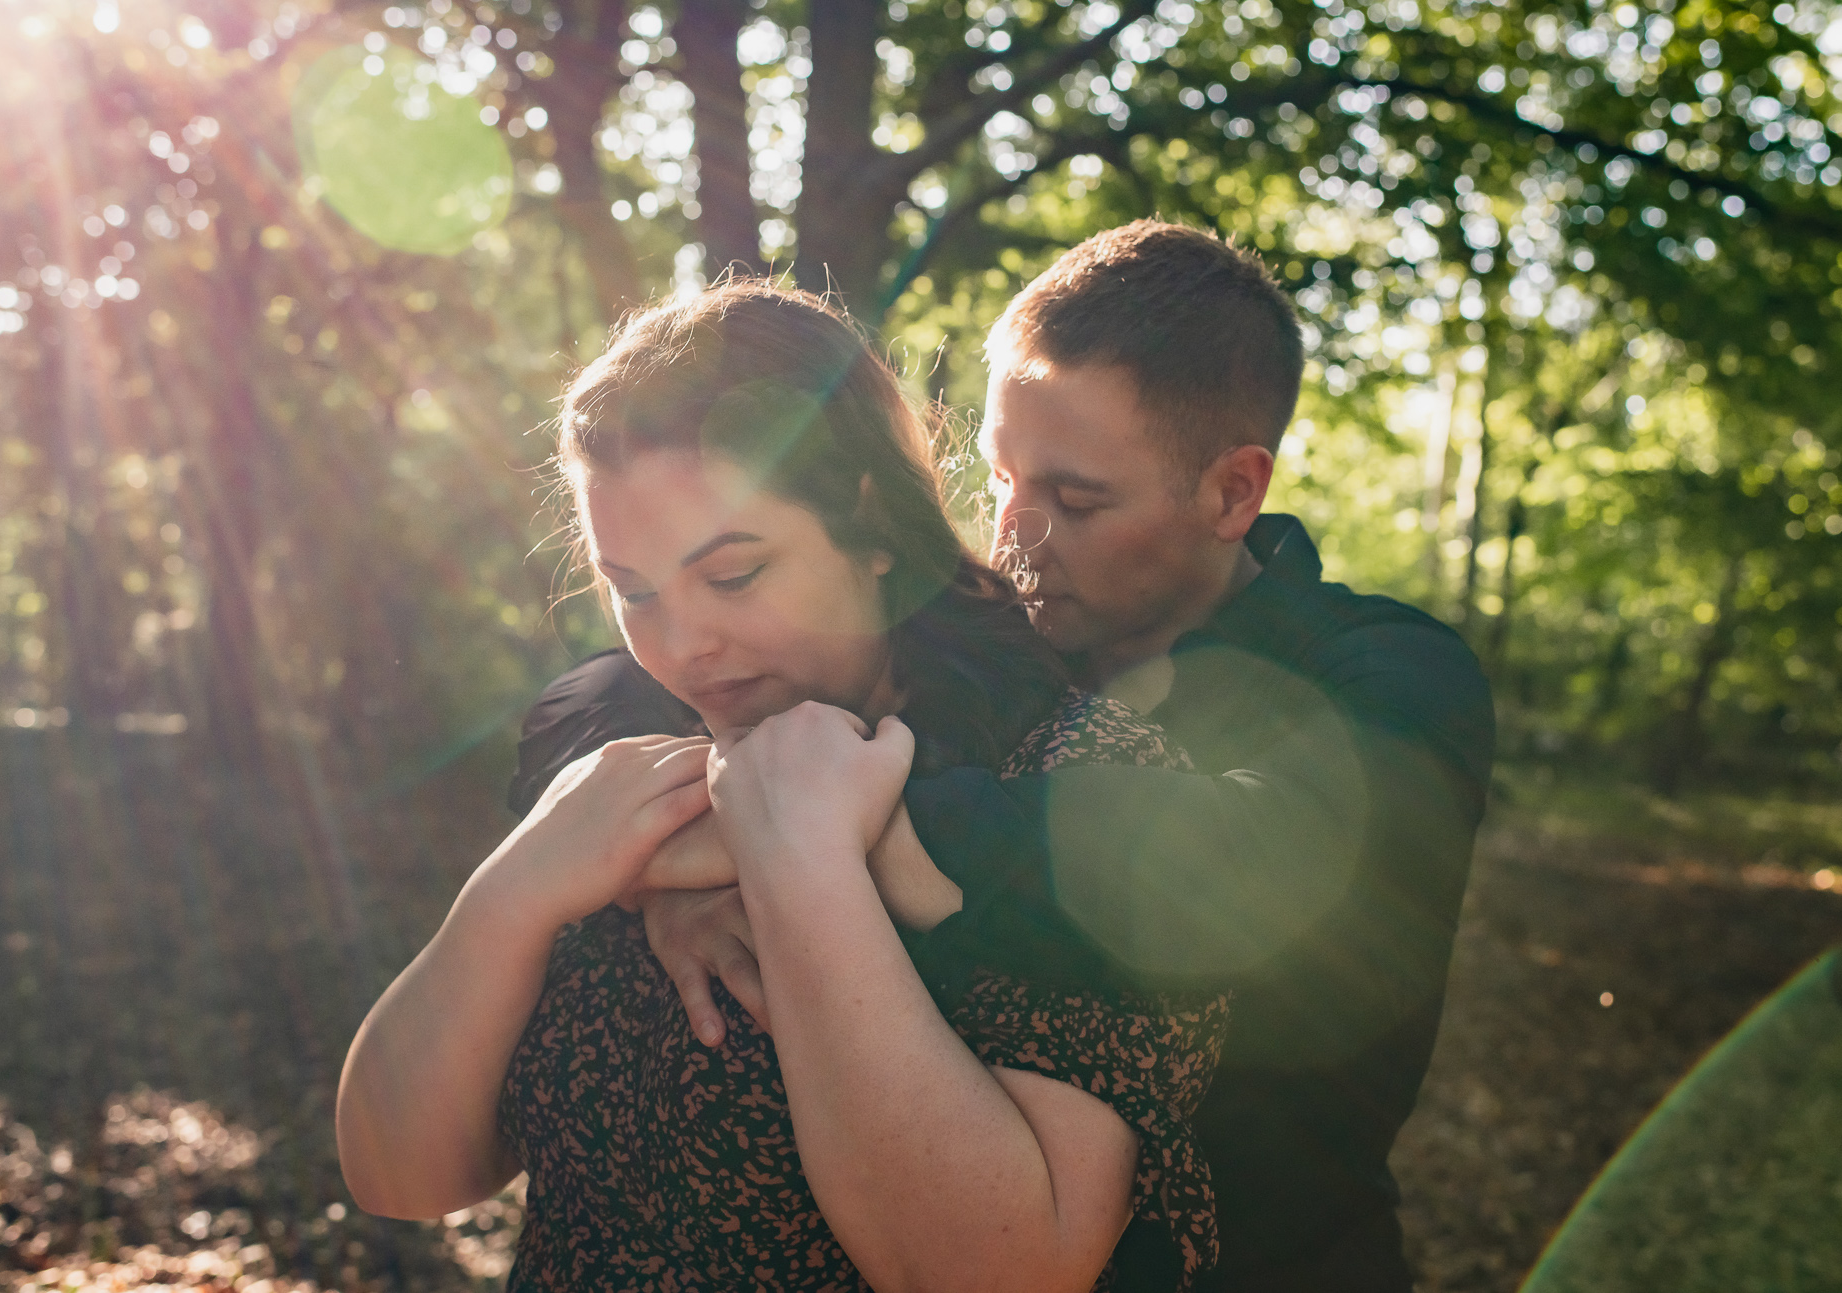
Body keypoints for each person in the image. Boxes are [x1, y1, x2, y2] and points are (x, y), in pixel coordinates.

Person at [514, 221, 1496, 1291]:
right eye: (999, 473)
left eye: (1074, 499)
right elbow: (618, 687)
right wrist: (669, 850)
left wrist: (801, 833)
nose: (1012, 530)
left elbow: (1245, 862)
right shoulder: (995, 641)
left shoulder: (1388, 674)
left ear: (1230, 493)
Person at [336, 281, 1229, 1292]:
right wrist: (519, 887)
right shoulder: (624, 771)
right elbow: (399, 1170)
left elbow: (1001, 1272)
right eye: (632, 591)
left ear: (867, 521)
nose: (681, 645)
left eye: (732, 575)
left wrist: (800, 861)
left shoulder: (1074, 788)